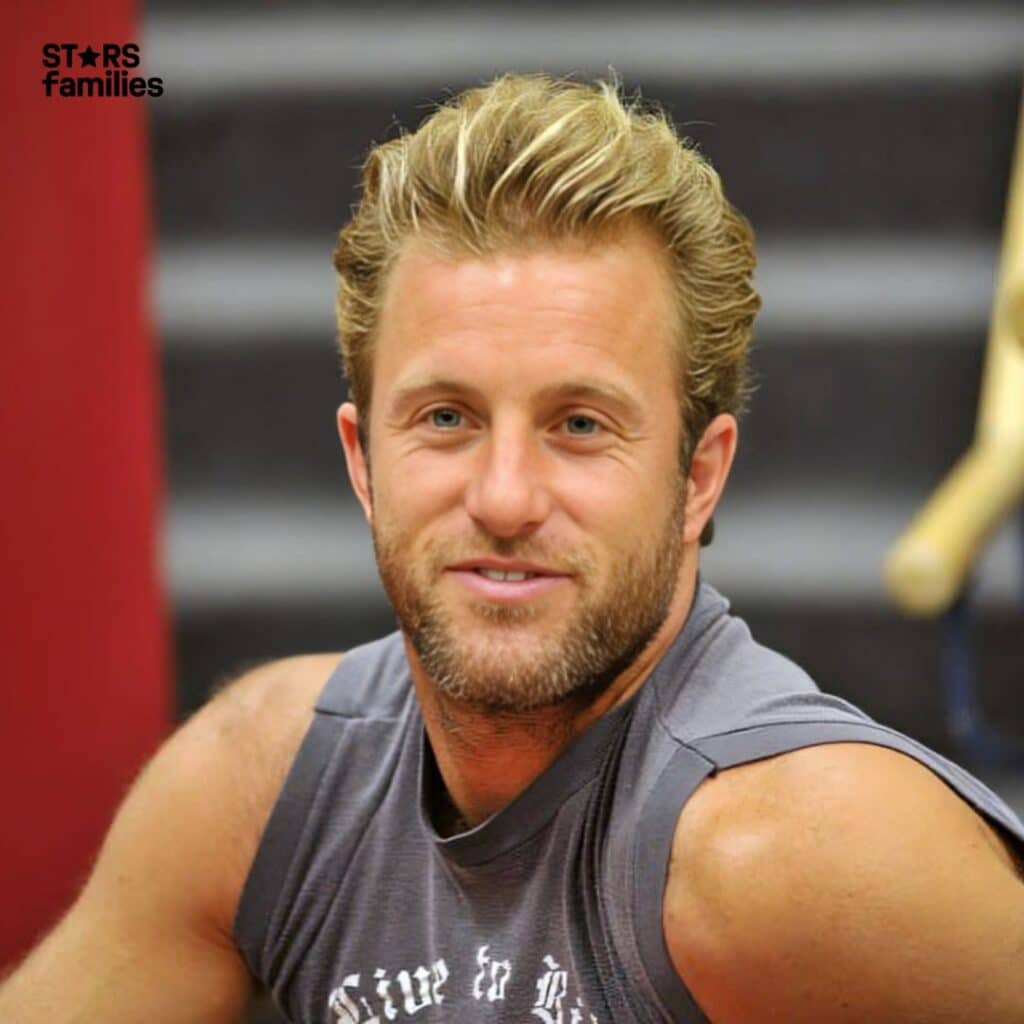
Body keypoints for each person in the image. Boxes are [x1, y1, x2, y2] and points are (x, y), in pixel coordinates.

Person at [2, 73, 1023, 1024]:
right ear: (363, 461)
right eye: (445, 417)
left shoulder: (794, 854)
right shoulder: (259, 785)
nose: (502, 497)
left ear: (696, 476)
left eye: (579, 424)